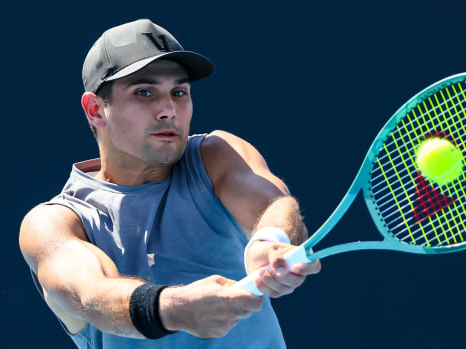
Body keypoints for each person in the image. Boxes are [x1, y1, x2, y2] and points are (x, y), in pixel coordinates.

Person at [19, 18, 320, 348]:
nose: (168, 110)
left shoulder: (216, 155)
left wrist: (271, 239)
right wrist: (175, 309)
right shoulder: (53, 223)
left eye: (179, 92)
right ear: (95, 110)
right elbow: (91, 294)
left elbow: (275, 205)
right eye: (144, 92)